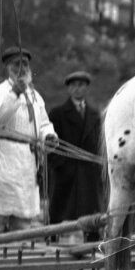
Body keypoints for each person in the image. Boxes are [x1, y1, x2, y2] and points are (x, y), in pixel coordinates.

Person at [0, 46, 58, 235]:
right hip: (3, 161)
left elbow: (43, 124)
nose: (22, 68)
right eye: (16, 64)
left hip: (27, 165)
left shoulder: (36, 96)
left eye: (25, 64)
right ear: (6, 68)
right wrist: (14, 95)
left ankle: (17, 259)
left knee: (23, 225)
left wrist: (49, 136)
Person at [47, 71, 104, 243]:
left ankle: (93, 251)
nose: (77, 89)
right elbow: (50, 145)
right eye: (73, 86)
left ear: (86, 88)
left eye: (81, 85)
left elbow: (100, 144)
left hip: (89, 174)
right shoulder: (57, 113)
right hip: (66, 174)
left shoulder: (95, 115)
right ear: (68, 89)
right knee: (58, 214)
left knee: (91, 216)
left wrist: (97, 167)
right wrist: (60, 166)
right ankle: (52, 248)